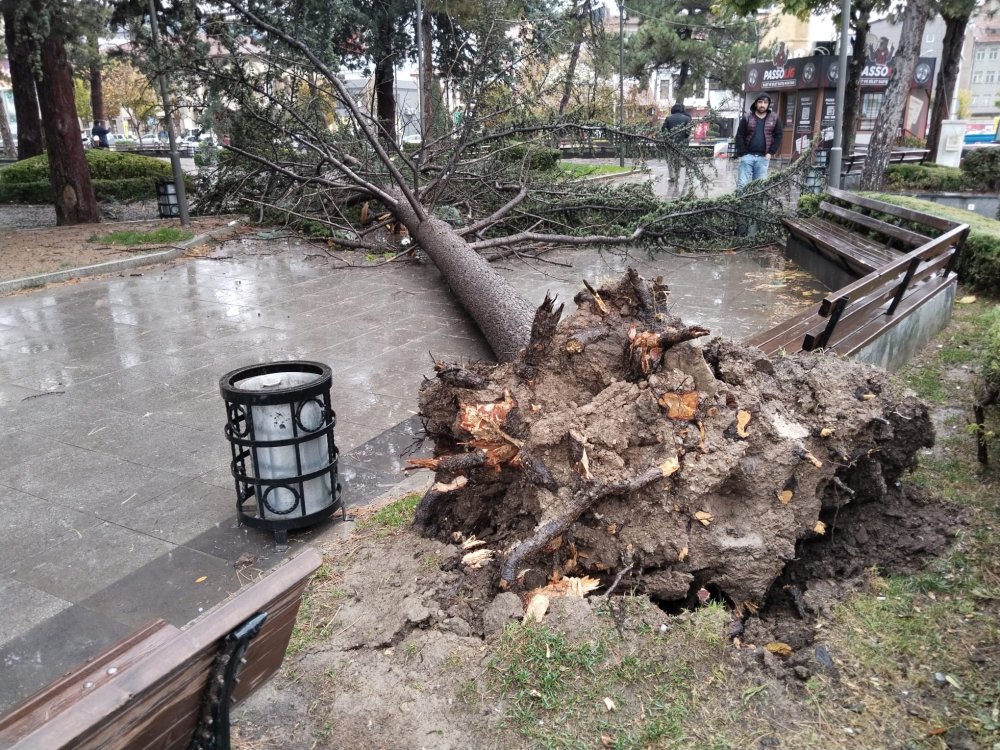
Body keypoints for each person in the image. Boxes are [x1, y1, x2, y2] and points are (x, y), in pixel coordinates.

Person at [734, 94, 783, 189]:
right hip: (747, 156)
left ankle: (756, 204)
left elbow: (778, 136)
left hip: (763, 157)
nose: (762, 105)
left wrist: (771, 152)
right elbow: (739, 135)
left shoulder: (774, 118)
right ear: (756, 104)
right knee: (742, 185)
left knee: (759, 186)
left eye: (765, 102)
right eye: (760, 102)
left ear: (768, 104)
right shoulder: (747, 117)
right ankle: (740, 203)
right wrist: (743, 153)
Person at [661, 102, 691, 184]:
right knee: (680, 160)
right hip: (682, 144)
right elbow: (687, 133)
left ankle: (671, 176)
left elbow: (663, 130)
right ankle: (679, 176)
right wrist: (684, 138)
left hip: (671, 143)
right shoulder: (686, 119)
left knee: (670, 160)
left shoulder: (668, 118)